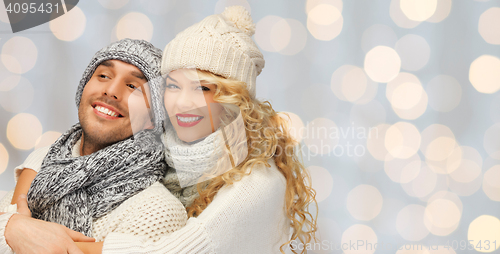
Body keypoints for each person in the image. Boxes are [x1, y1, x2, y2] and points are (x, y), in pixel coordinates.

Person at [2, 6, 317, 254]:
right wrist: (16, 220)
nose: (182, 103)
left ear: (234, 101)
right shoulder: (161, 151)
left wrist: (25, 233)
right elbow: (95, 151)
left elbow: (172, 251)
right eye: (174, 86)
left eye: (203, 88)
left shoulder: (258, 184)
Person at [0, 39, 187, 254]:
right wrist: (12, 227)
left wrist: (13, 228)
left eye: (133, 87)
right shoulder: (44, 160)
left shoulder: (158, 212)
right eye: (104, 76)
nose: (111, 90)